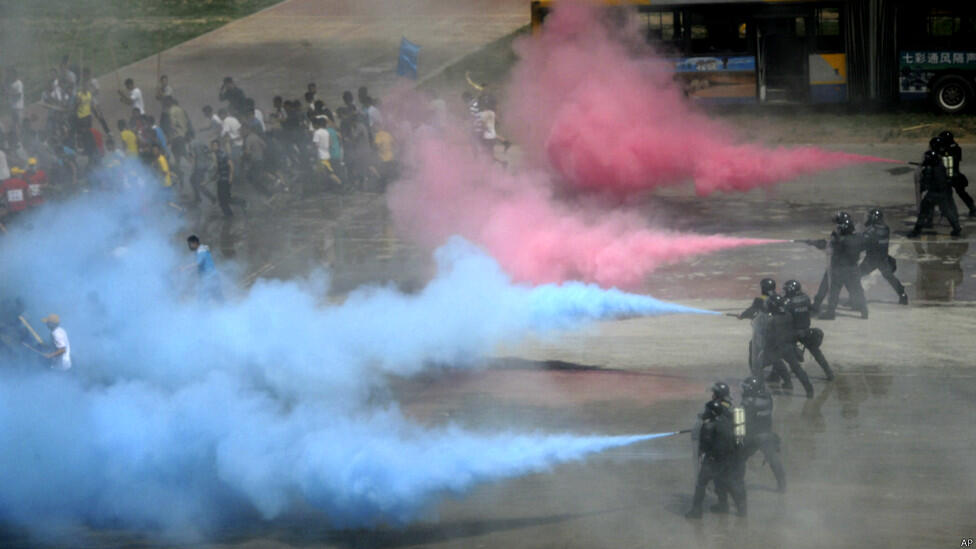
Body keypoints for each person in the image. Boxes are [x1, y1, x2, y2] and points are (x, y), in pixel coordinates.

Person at [686, 400, 745, 519]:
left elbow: (704, 446)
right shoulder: (727, 421)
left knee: (701, 484)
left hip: (713, 461)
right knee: (729, 484)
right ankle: (741, 511)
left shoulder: (709, 426)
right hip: (729, 460)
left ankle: (696, 512)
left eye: (708, 410)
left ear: (712, 412)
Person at [739, 376, 786, 492]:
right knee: (774, 459)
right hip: (767, 436)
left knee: (738, 459)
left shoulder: (747, 403)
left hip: (752, 437)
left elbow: (741, 420)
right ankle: (782, 484)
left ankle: (736, 482)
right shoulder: (768, 399)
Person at [783, 279, 833, 380]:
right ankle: (829, 373)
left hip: (793, 333)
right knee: (817, 353)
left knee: (781, 351)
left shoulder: (788, 302)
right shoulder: (805, 298)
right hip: (806, 331)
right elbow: (813, 310)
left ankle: (780, 374)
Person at [819, 219, 868, 320]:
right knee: (857, 291)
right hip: (853, 269)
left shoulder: (839, 241)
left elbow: (829, 247)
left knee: (834, 292)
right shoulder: (858, 238)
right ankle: (864, 311)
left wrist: (833, 237)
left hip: (840, 270)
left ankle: (830, 312)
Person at [859, 208, 908, 305]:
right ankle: (902, 294)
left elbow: (862, 242)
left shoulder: (871, 231)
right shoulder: (885, 228)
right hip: (883, 258)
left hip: (871, 259)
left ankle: (856, 297)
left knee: (855, 276)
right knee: (890, 277)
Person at [910, 150, 962, 238]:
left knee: (923, 212)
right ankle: (956, 227)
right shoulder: (940, 166)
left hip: (933, 194)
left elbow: (925, 183)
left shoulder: (930, 169)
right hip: (943, 193)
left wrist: (922, 187)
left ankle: (916, 231)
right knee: (947, 211)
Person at [938, 130, 976, 217]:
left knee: (960, 192)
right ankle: (946, 210)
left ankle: (972, 207)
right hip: (950, 174)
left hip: (953, 174)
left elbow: (951, 160)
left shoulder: (953, 149)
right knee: (949, 193)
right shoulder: (950, 148)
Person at [211, 139, 246, 217]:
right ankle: (229, 214)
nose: (213, 147)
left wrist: (230, 176)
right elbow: (218, 168)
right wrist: (213, 177)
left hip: (225, 179)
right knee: (223, 199)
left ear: (218, 146)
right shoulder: (216, 155)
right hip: (221, 179)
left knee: (225, 199)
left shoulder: (222, 154)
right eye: (212, 146)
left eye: (214, 146)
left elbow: (231, 165)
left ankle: (241, 203)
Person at [187, 235, 223, 303]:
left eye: (190, 244)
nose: (189, 246)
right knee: (217, 297)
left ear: (194, 243)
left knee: (203, 298)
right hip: (212, 277)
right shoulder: (202, 250)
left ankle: (203, 313)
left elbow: (198, 263)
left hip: (210, 277)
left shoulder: (201, 251)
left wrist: (185, 268)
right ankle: (228, 310)